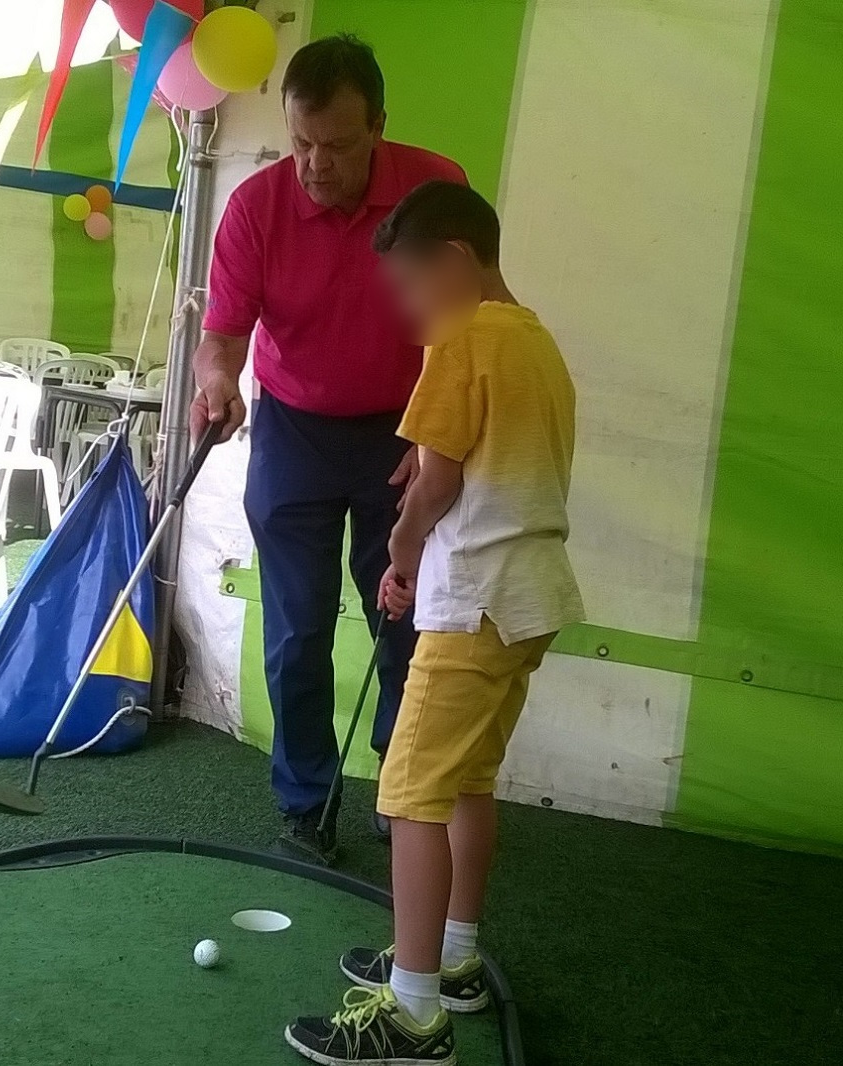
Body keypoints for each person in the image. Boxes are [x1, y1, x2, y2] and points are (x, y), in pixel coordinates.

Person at [284, 181, 586, 1064]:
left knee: (411, 789)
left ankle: (413, 1014)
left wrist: (403, 548)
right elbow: (473, 461)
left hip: (476, 598)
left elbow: (440, 480)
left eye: (411, 287)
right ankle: (452, 959)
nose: (408, 311)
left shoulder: (462, 336)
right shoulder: (537, 341)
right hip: (531, 596)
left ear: (455, 261)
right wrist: (425, 492)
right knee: (465, 782)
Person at [191, 35, 466, 865]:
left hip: (405, 430)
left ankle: (402, 788)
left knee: (408, 621)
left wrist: (436, 430)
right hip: (294, 431)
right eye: (301, 142)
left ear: (379, 125)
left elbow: (466, 326)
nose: (315, 164)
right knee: (296, 630)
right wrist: (218, 383)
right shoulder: (256, 206)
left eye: (338, 145)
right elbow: (221, 337)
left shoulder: (436, 188)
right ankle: (306, 802)